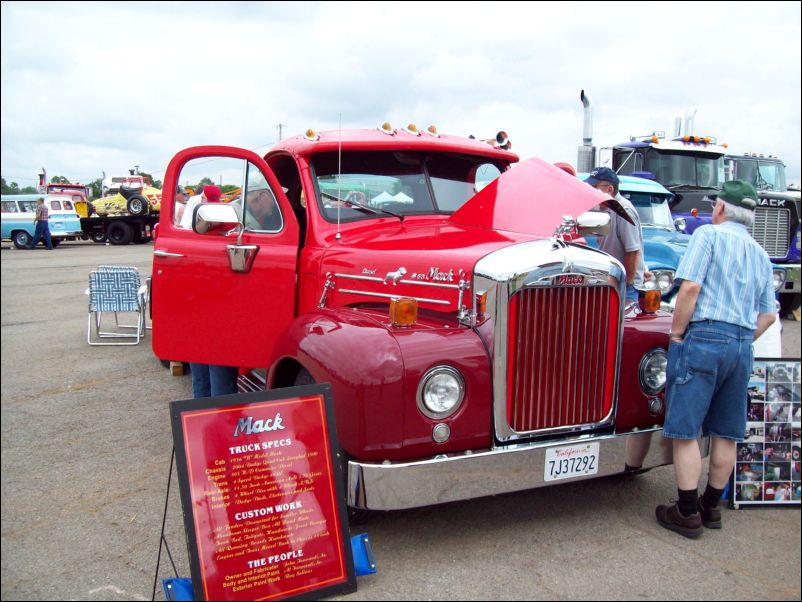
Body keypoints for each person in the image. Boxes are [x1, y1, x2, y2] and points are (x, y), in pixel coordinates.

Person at [655, 180, 776, 538]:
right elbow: (769, 315)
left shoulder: (708, 235)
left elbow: (690, 288)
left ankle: (687, 512)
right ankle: (711, 508)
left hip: (706, 335)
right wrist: (740, 340)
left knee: (686, 429)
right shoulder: (760, 253)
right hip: (742, 343)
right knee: (726, 431)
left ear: (721, 208)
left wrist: (677, 334)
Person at [584, 167, 647, 302]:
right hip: (611, 279)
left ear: (610, 189)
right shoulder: (601, 208)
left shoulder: (623, 211)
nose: (590, 190)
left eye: (594, 186)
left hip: (623, 284)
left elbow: (632, 251)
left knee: (621, 322)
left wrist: (627, 284)